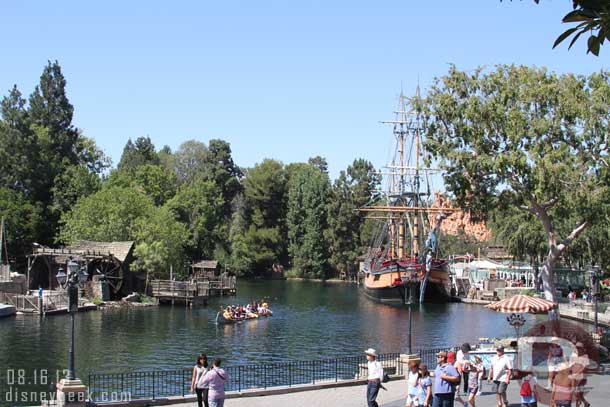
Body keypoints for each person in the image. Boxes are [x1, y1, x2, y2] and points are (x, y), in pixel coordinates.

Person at [570, 342, 591, 407]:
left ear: (582, 349)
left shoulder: (585, 356)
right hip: (574, 377)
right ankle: (585, 403)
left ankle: (579, 404)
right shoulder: (574, 356)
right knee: (577, 393)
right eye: (576, 348)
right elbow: (571, 365)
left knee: (577, 393)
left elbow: (585, 367)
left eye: (579, 348)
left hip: (581, 377)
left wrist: (578, 373)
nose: (577, 349)